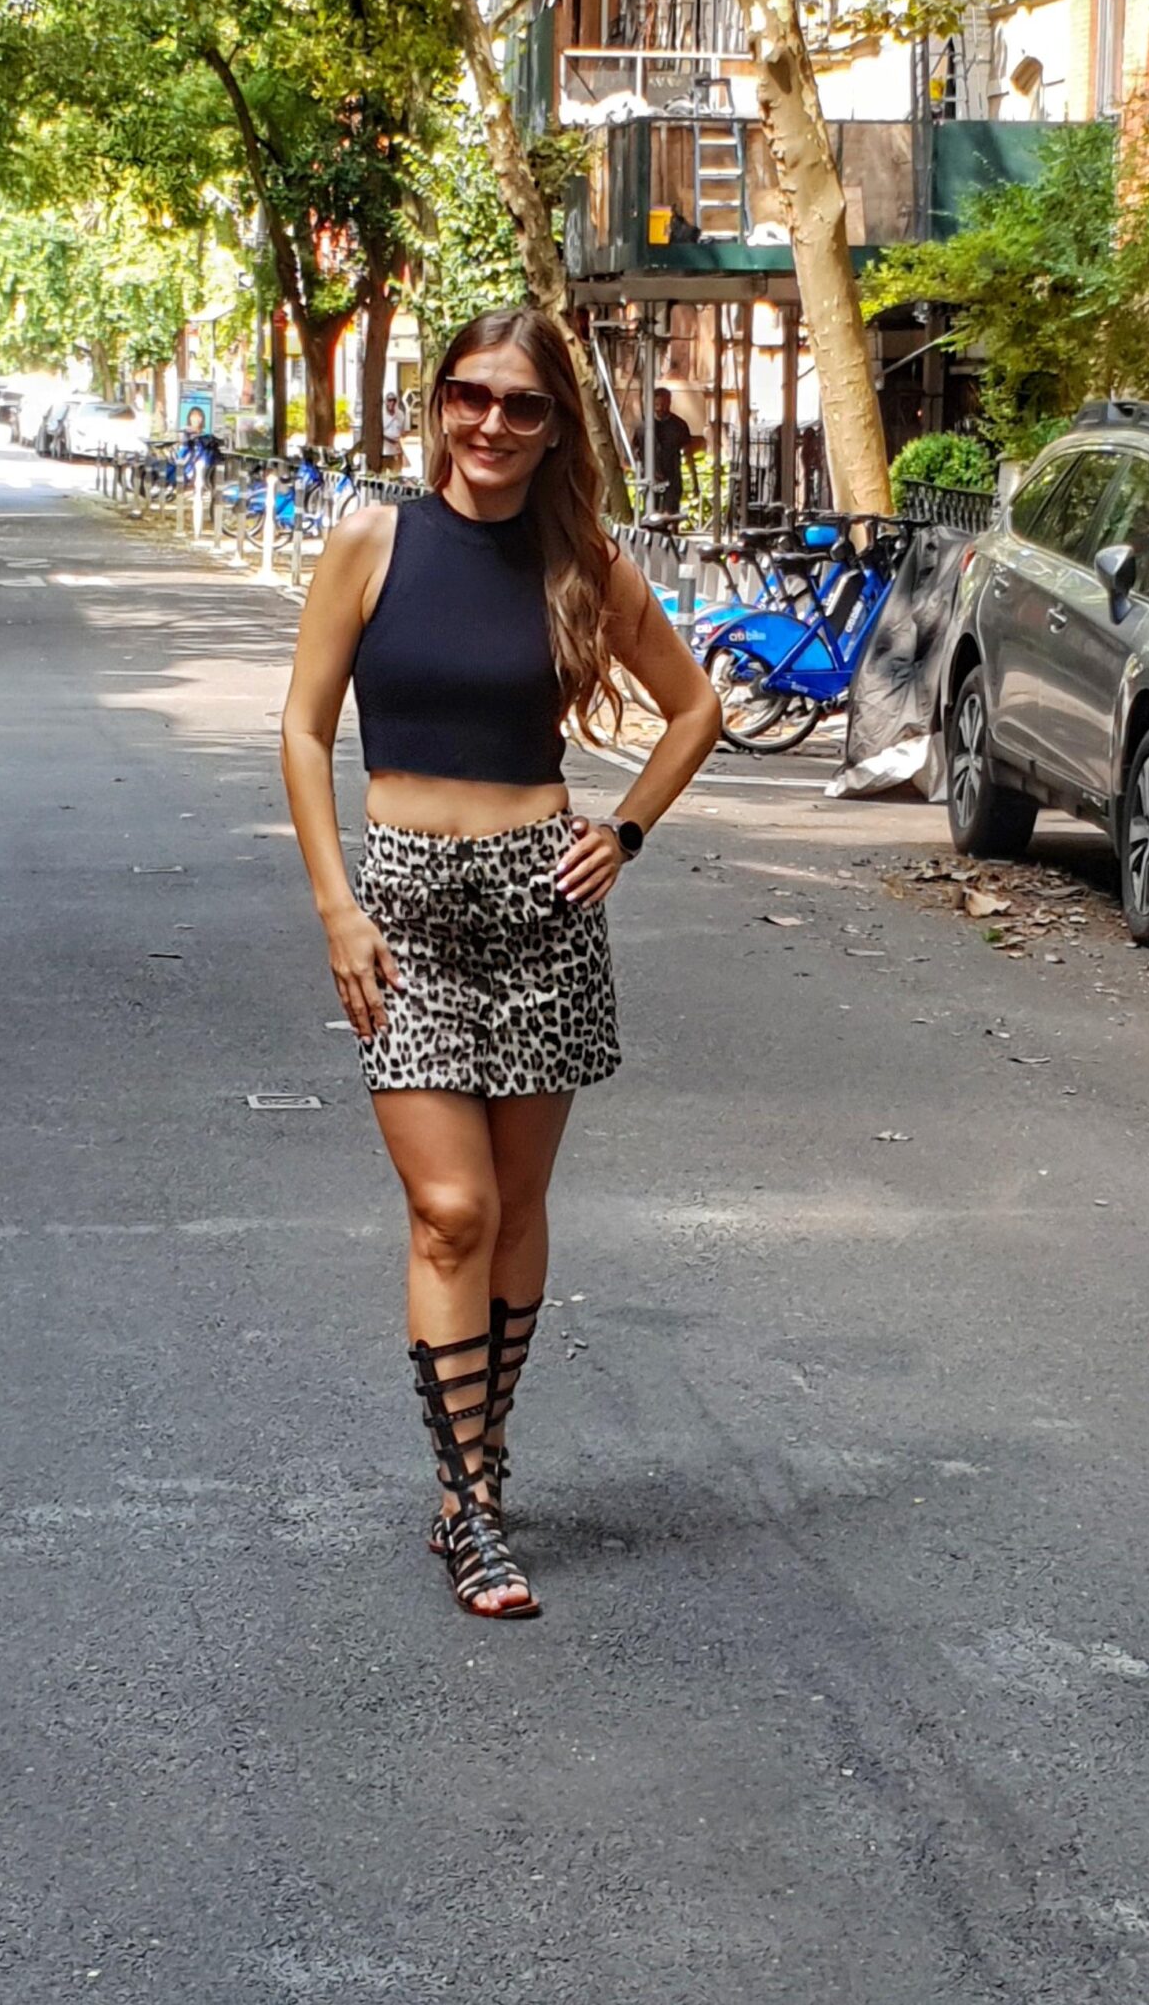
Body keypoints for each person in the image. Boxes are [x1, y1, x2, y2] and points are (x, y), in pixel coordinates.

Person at [281, 307, 721, 1620]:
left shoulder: (579, 561)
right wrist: (335, 909)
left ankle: (473, 1470)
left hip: (542, 905)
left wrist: (624, 831)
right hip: (403, 909)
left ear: (552, 426)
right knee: (451, 1212)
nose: (489, 424)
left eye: (521, 405)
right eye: (469, 395)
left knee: (517, 1213)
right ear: (436, 404)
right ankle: (472, 1508)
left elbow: (694, 707)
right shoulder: (374, 540)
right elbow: (304, 735)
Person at [634, 384, 697, 519]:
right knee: (650, 516)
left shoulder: (679, 425)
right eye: (656, 404)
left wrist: (694, 482)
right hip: (650, 477)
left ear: (669, 403)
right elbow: (635, 453)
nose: (660, 408)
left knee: (671, 515)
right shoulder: (643, 428)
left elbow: (688, 453)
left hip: (672, 477)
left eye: (664, 404)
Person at [381, 390, 406, 470]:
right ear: (386, 402)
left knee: (397, 474)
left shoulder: (400, 414)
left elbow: (402, 431)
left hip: (396, 451)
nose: (391, 403)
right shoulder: (381, 415)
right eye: (389, 400)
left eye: (393, 400)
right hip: (384, 451)